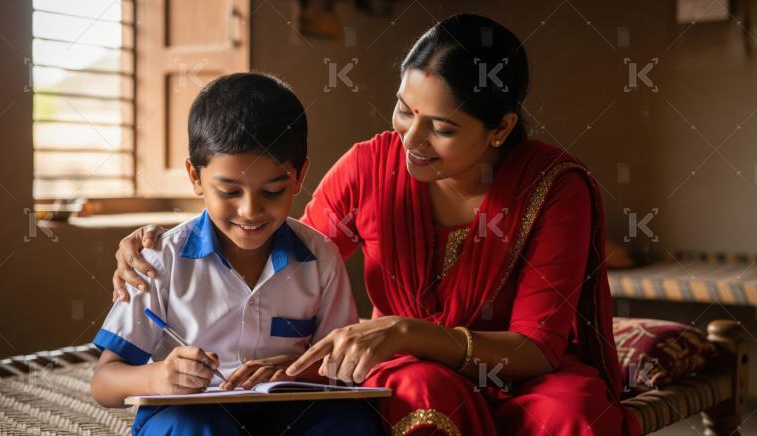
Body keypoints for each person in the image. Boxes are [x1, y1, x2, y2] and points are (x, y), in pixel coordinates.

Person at [111, 14, 640, 436]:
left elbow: (537, 347)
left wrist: (411, 331)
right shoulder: (370, 167)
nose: (410, 141)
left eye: (443, 128)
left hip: (516, 372)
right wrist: (162, 242)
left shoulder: (551, 188)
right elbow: (279, 240)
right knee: (424, 394)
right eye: (404, 110)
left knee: (574, 417)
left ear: (500, 128)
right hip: (407, 367)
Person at [91, 73, 380, 435]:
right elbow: (103, 381)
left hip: (289, 413)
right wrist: (159, 376)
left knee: (351, 423)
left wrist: (295, 369)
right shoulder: (158, 261)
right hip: (194, 417)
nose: (249, 211)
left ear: (299, 176)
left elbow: (342, 365)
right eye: (228, 192)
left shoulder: (320, 258)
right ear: (195, 177)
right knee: (187, 428)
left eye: (273, 191)